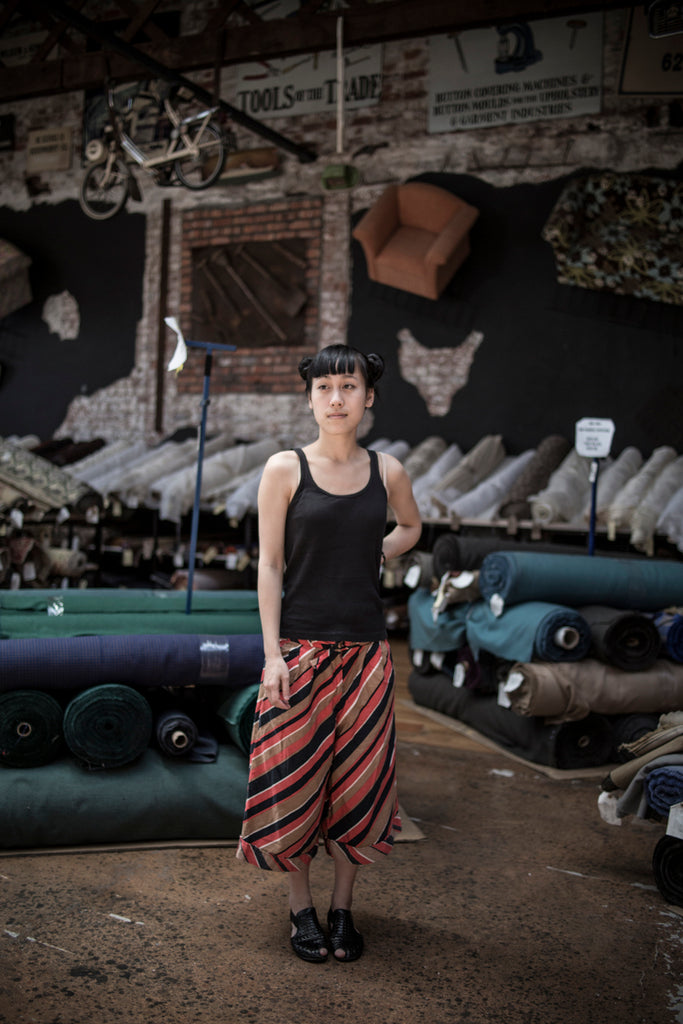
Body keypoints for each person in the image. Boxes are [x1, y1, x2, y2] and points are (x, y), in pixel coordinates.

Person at [237, 343, 422, 964]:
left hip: (368, 656)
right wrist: (271, 656)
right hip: (299, 653)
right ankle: (301, 911)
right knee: (296, 783)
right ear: (310, 397)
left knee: (358, 788)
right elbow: (268, 566)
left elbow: (412, 528)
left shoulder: (388, 470)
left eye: (349, 387)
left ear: (368, 396)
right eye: (324, 388)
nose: (336, 398)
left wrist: (376, 551)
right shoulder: (284, 469)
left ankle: (342, 910)